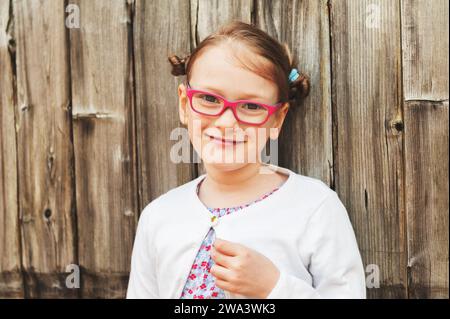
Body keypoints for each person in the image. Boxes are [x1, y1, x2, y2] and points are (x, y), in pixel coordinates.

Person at [126, 21, 366, 299]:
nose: (227, 121)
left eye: (251, 106)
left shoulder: (316, 209)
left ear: (277, 118)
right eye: (208, 99)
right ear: (184, 104)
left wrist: (274, 288)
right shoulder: (158, 217)